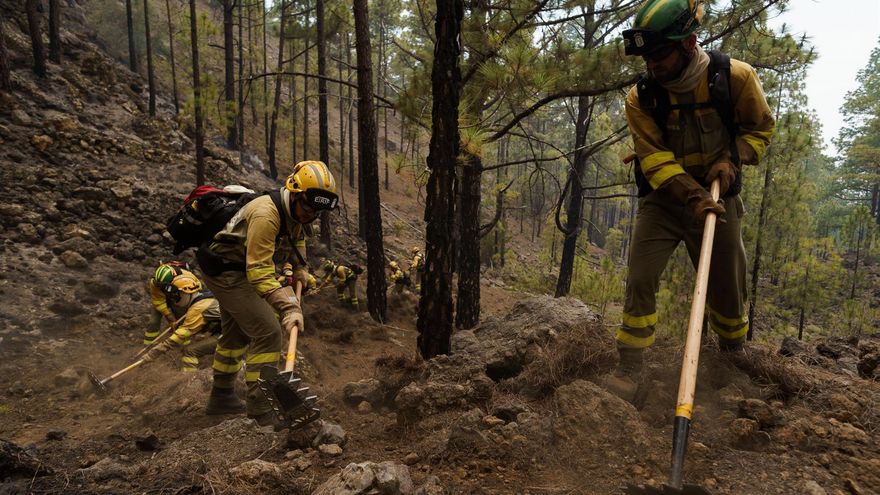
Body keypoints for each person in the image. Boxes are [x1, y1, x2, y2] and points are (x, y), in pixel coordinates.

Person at [610, 0, 774, 394]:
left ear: (689, 42)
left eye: (660, 55)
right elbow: (654, 159)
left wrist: (733, 158)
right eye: (647, 58)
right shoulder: (642, 97)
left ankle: (731, 359)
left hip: (720, 202)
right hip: (665, 202)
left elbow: (760, 129)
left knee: (728, 285)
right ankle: (629, 369)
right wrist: (693, 194)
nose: (653, 66)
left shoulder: (734, 77)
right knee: (641, 278)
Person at [196, 160, 337, 424]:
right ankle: (260, 408)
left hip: (240, 267)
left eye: (318, 211)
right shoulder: (265, 215)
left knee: (237, 332)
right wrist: (288, 306)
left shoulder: (296, 210)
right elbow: (259, 272)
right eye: (309, 207)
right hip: (226, 271)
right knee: (267, 331)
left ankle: (221, 396)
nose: (311, 215)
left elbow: (298, 236)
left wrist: (300, 268)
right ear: (294, 192)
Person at [141, 273, 222, 373]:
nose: (174, 301)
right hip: (234, 329)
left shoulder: (198, 308)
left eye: (176, 296)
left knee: (189, 351)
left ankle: (189, 381)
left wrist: (154, 352)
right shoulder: (205, 295)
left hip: (233, 334)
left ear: (186, 292)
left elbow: (181, 335)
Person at [145, 261, 194, 346]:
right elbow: (158, 301)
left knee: (181, 319)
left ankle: (184, 343)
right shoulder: (154, 282)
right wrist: (169, 316)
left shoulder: (185, 280)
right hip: (161, 298)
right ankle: (149, 344)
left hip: (178, 296)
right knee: (153, 321)